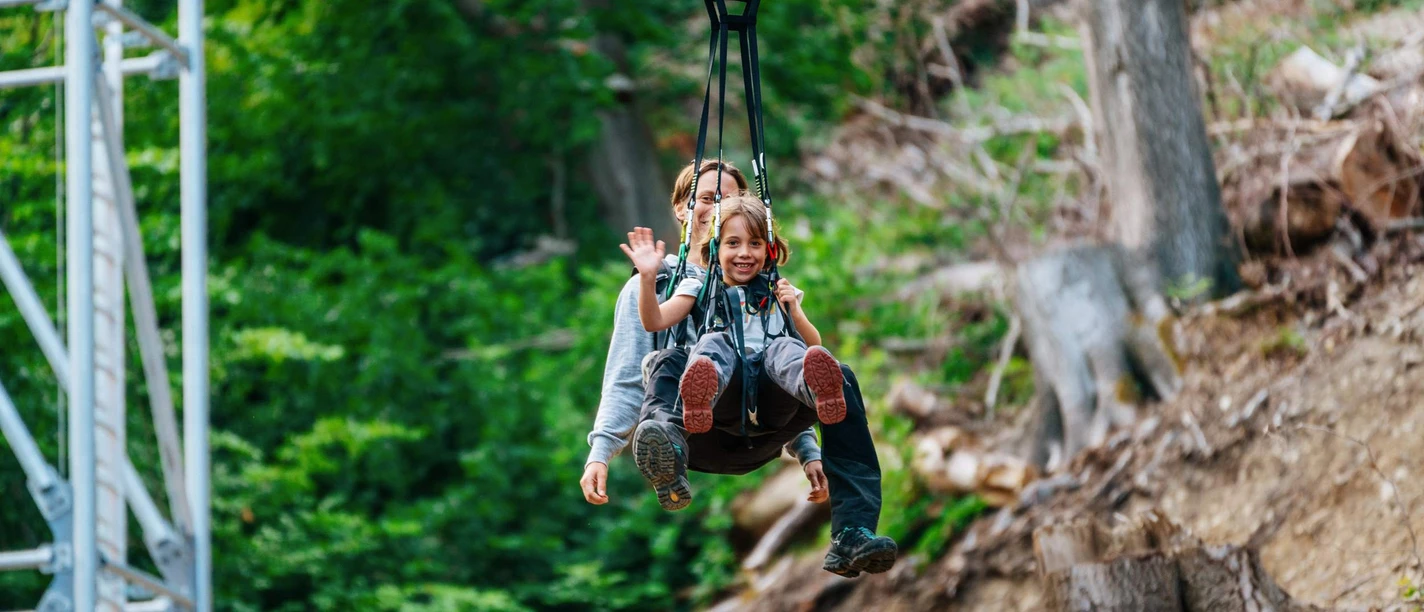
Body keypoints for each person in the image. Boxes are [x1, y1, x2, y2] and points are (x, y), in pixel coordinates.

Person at [581, 161, 896, 578]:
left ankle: (852, 533)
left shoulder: (763, 284)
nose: (719, 206)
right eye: (709, 198)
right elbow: (624, 376)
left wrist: (808, 451)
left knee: (836, 374)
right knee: (672, 359)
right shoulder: (662, 283)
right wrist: (600, 452)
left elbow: (781, 360)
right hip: (701, 432)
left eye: (728, 198)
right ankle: (667, 448)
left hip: (764, 425)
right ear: (681, 208)